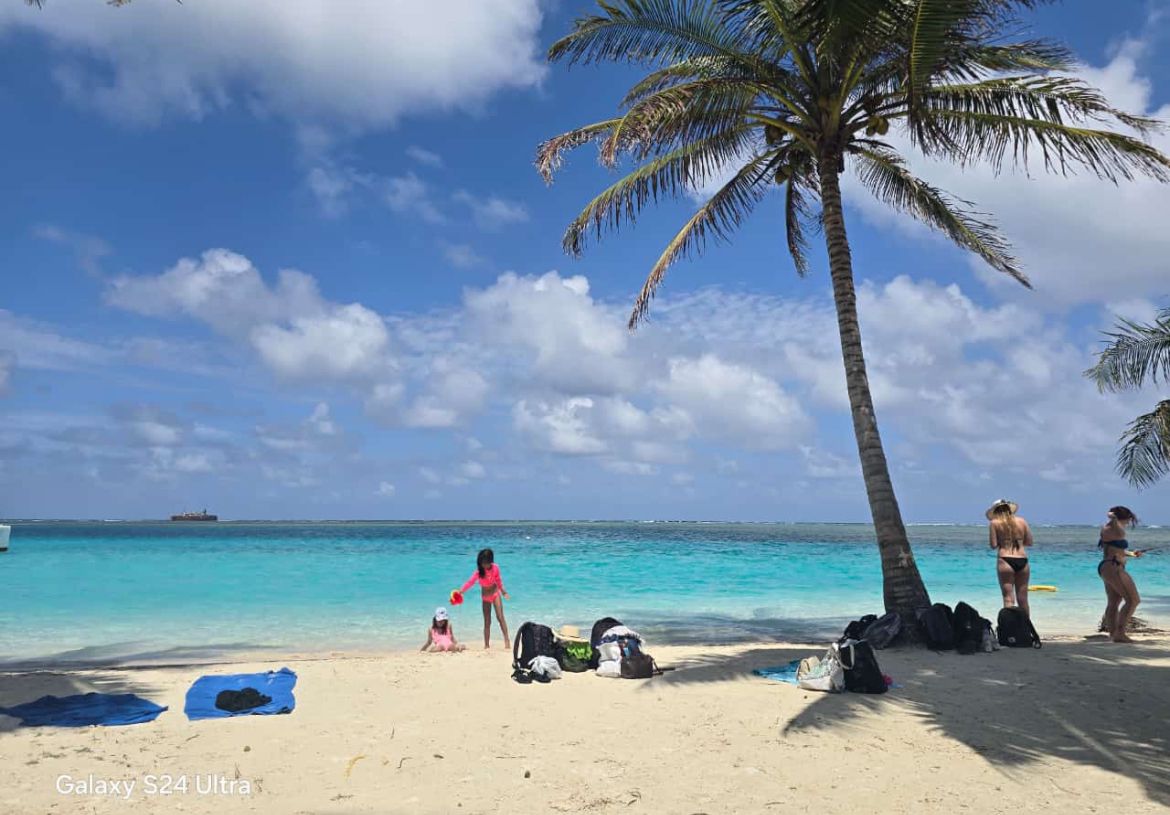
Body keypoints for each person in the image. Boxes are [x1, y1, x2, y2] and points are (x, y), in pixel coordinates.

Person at [1098, 506, 1143, 643]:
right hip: (1114, 567)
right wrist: (1113, 516)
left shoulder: (1109, 529)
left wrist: (1131, 554)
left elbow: (1115, 549)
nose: (1129, 522)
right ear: (1124, 518)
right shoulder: (1116, 529)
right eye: (1129, 519)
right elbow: (1117, 537)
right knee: (1133, 600)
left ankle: (1113, 634)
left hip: (1108, 566)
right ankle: (1120, 633)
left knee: (1114, 602)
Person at [986, 499, 1033, 616]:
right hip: (1023, 559)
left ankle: (1011, 630)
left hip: (1005, 560)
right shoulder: (1022, 521)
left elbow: (993, 545)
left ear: (995, 511)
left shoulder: (994, 523)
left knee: (1008, 599)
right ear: (1009, 508)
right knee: (1023, 599)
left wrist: (1004, 541)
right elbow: (1029, 542)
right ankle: (1026, 630)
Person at [459, 548, 510, 649]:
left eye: (486, 562)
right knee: (487, 621)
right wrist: (461, 591)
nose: (484, 565)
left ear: (491, 561)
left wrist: (503, 592)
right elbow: (470, 582)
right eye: (482, 562)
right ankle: (486, 645)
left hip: (495, 593)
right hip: (485, 596)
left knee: (500, 617)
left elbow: (498, 580)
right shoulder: (479, 572)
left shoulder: (495, 568)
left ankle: (507, 640)